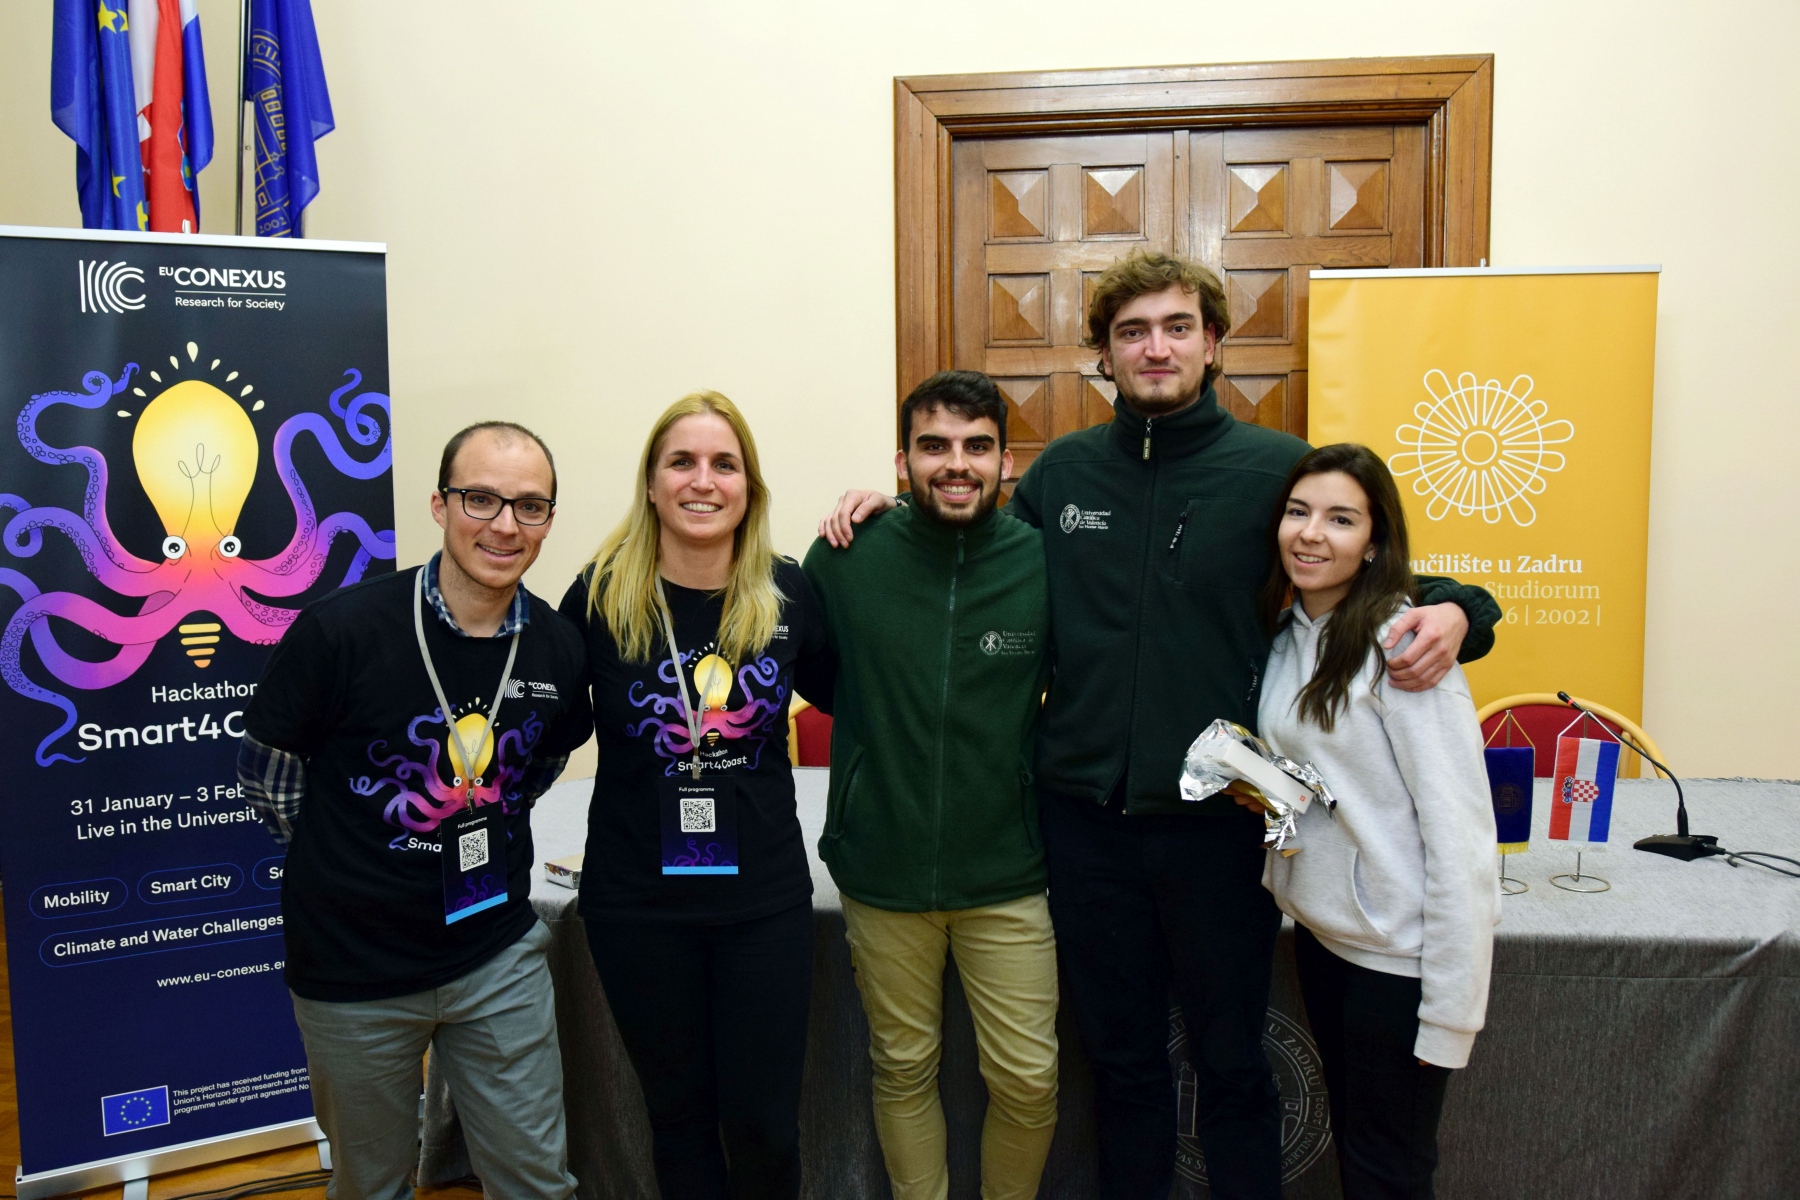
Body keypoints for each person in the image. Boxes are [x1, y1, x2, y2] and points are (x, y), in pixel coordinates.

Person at [820, 249, 1500, 1199]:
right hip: (1082, 829)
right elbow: (970, 546)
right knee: (1122, 1067)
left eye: (1177, 327)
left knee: (1232, 1065)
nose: (1155, 348)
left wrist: (1465, 606)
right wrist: (886, 507)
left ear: (1212, 343)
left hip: (1223, 831)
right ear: (1104, 353)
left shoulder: (1272, 469)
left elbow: (1359, 559)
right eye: (1132, 331)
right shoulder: (1063, 474)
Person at [238, 421, 593, 1200]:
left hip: (495, 953)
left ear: (548, 520)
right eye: (481, 499)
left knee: (538, 1180)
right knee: (372, 1185)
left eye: (530, 506)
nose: (505, 526)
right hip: (352, 969)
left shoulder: (560, 648)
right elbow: (269, 775)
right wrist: (353, 859)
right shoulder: (342, 630)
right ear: (440, 505)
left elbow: (538, 768)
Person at [559, 391, 831, 1200]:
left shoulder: (787, 592)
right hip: (638, 906)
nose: (703, 481)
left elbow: (857, 699)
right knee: (676, 1121)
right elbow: (543, 728)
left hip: (762, 905)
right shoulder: (600, 596)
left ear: (750, 486)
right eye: (681, 462)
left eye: (724, 463)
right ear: (650, 484)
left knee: (763, 1125)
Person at [803, 370, 1058, 1200]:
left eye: (976, 446)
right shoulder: (846, 557)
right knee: (903, 1066)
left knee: (1028, 1079)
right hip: (883, 866)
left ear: (1006, 461)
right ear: (902, 460)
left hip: (1007, 870)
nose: (956, 463)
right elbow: (815, 675)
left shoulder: (1041, 563)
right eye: (934, 445)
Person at [1253, 443, 1498, 1199]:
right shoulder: (1288, 633)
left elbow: (1461, 838)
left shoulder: (1405, 647)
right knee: (1360, 1158)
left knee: (1388, 1171)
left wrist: (1449, 1017)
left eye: (1340, 519)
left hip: (1397, 962)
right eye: (1299, 512)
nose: (1311, 533)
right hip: (1327, 940)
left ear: (1373, 543)